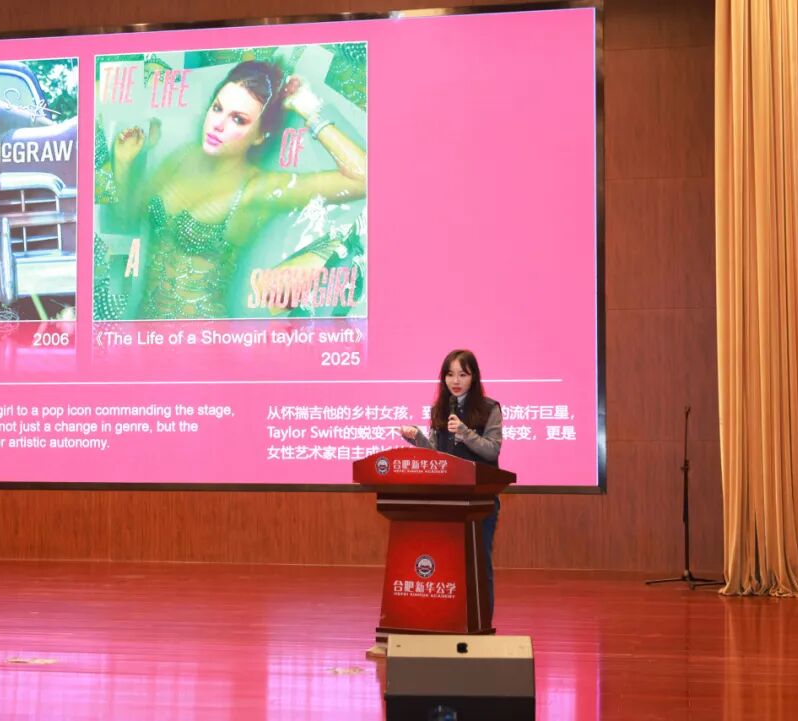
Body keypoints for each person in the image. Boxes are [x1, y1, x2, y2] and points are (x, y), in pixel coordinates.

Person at [109, 60, 367, 319]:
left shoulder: (257, 189)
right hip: (144, 330)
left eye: (238, 119)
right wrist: (123, 163)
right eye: (217, 108)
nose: (218, 124)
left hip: (202, 339)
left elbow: (365, 180)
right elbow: (129, 219)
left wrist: (308, 107)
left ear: (259, 135)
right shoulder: (182, 157)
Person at [400, 349, 504, 616]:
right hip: (448, 500)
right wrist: (417, 438)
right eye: (450, 374)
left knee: (479, 563)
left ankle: (481, 623)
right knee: (448, 565)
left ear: (474, 377)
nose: (455, 381)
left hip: (480, 501)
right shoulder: (440, 410)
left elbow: (492, 450)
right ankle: (451, 621)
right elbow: (438, 456)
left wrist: (465, 433)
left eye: (462, 374)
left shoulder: (490, 408)